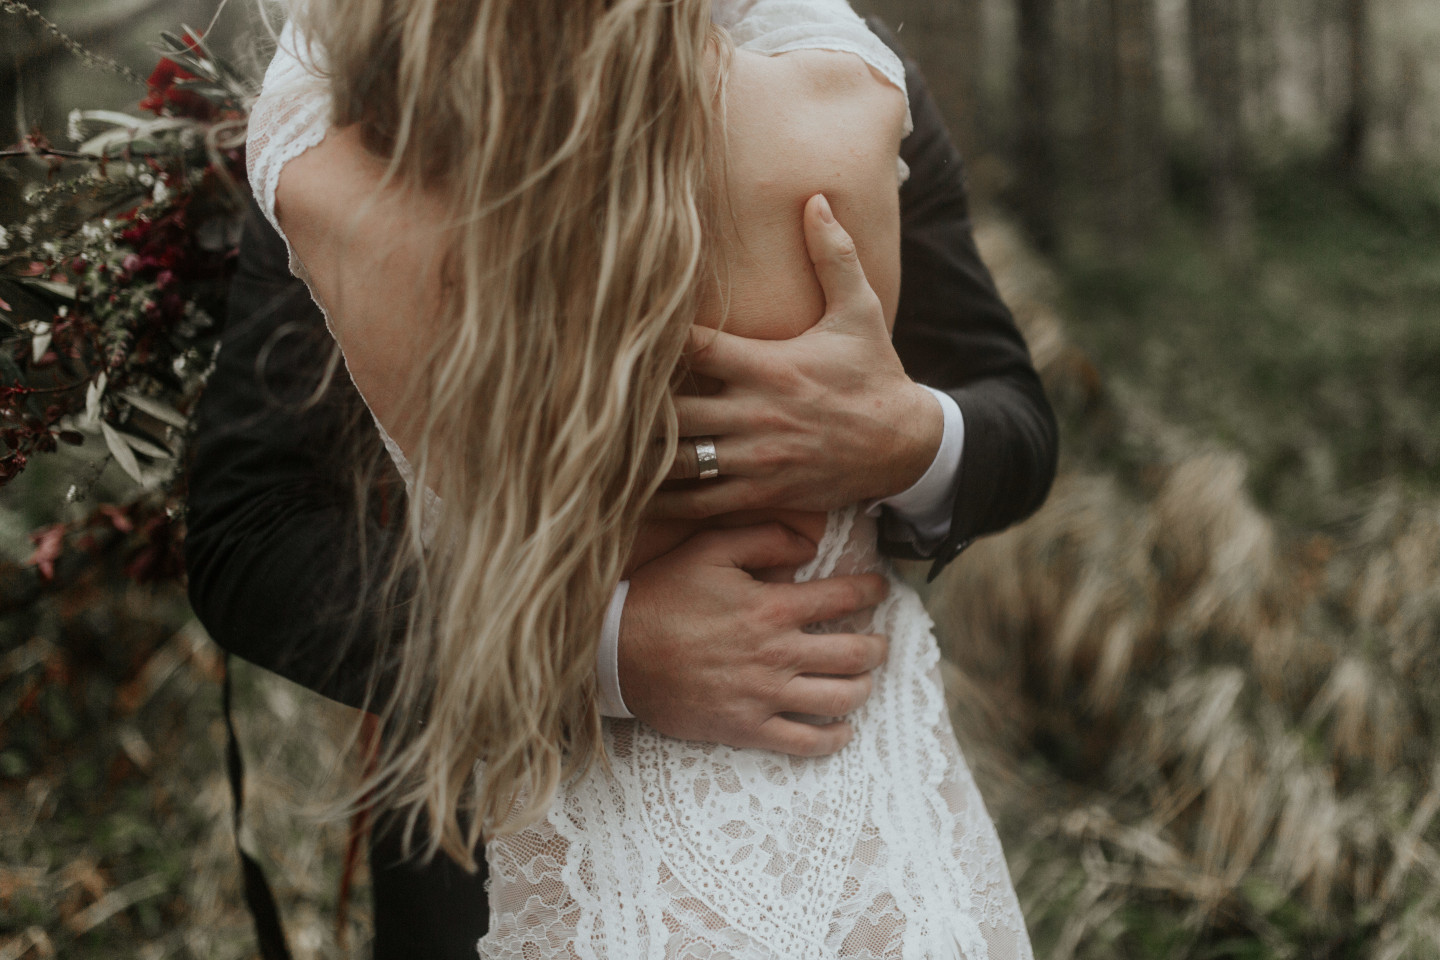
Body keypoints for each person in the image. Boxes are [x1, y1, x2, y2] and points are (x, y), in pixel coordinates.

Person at [185, 1, 1056, 957]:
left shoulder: (312, 150)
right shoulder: (373, 121)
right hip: (498, 845)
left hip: (870, 827)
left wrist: (907, 439)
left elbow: (1013, 416)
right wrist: (596, 650)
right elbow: (247, 534)